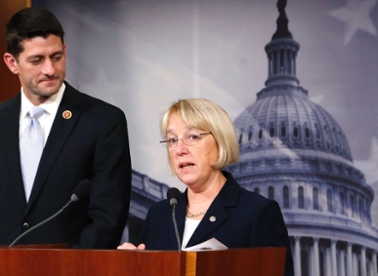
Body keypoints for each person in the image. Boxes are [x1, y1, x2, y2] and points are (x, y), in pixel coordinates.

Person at [0, 7, 132, 249]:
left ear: (65, 51)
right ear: (12, 63)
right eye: (37, 60)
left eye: (56, 57)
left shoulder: (103, 121)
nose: (50, 69)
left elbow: (108, 216)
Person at [118, 98, 294, 275]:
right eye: (172, 140)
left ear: (220, 141)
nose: (179, 149)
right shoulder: (159, 215)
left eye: (192, 136)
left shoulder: (257, 212)